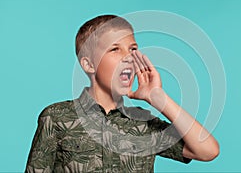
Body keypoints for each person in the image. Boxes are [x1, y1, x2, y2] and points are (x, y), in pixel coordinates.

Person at [26, 15, 219, 172]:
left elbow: (207, 150)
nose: (128, 57)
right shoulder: (56, 117)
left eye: (132, 49)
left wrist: (159, 98)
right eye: (114, 49)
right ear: (89, 64)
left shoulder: (143, 124)